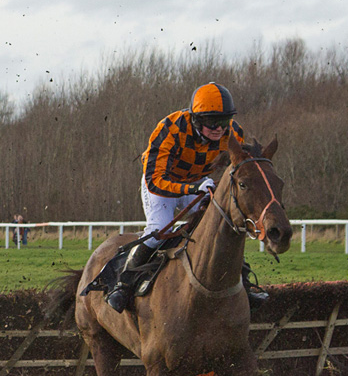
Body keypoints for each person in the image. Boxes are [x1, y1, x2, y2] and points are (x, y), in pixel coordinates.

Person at [106, 82, 268, 312]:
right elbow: (155, 180)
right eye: (213, 123)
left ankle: (244, 283)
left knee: (223, 226)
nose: (220, 129)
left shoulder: (233, 132)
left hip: (198, 183)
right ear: (196, 119)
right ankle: (123, 283)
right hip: (162, 185)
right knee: (159, 230)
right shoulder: (169, 129)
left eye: (224, 121)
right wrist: (191, 190)